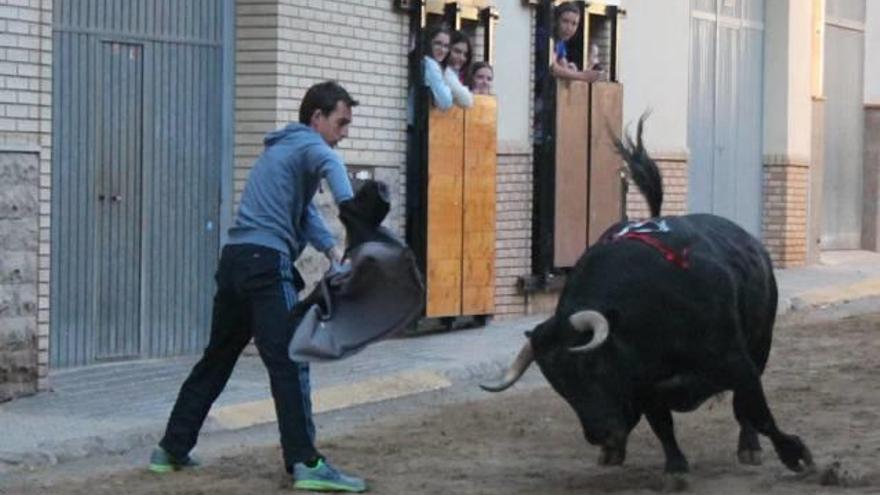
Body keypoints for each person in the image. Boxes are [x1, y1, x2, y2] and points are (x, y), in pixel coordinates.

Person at [148, 81, 367, 493]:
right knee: (290, 359)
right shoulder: (308, 146)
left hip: (234, 262)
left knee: (217, 359)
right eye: (341, 123)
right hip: (266, 267)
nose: (344, 133)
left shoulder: (281, 149)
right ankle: (306, 462)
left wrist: (333, 252)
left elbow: (301, 215)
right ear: (317, 118)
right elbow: (332, 166)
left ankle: (171, 449)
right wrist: (357, 218)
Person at [548, 2, 606, 83]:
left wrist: (571, 69)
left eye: (574, 24)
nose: (569, 28)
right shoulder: (548, 38)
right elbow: (553, 68)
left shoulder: (560, 42)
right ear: (556, 21)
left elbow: (563, 65)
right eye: (565, 21)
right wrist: (583, 76)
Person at [421, 25, 453, 110]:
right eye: (438, 43)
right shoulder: (431, 64)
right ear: (429, 43)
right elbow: (446, 101)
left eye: (446, 46)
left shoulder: (424, 62)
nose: (442, 50)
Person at [443, 30, 474, 108]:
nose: (462, 58)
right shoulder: (445, 72)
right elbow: (466, 101)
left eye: (465, 54)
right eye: (457, 51)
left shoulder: (461, 75)